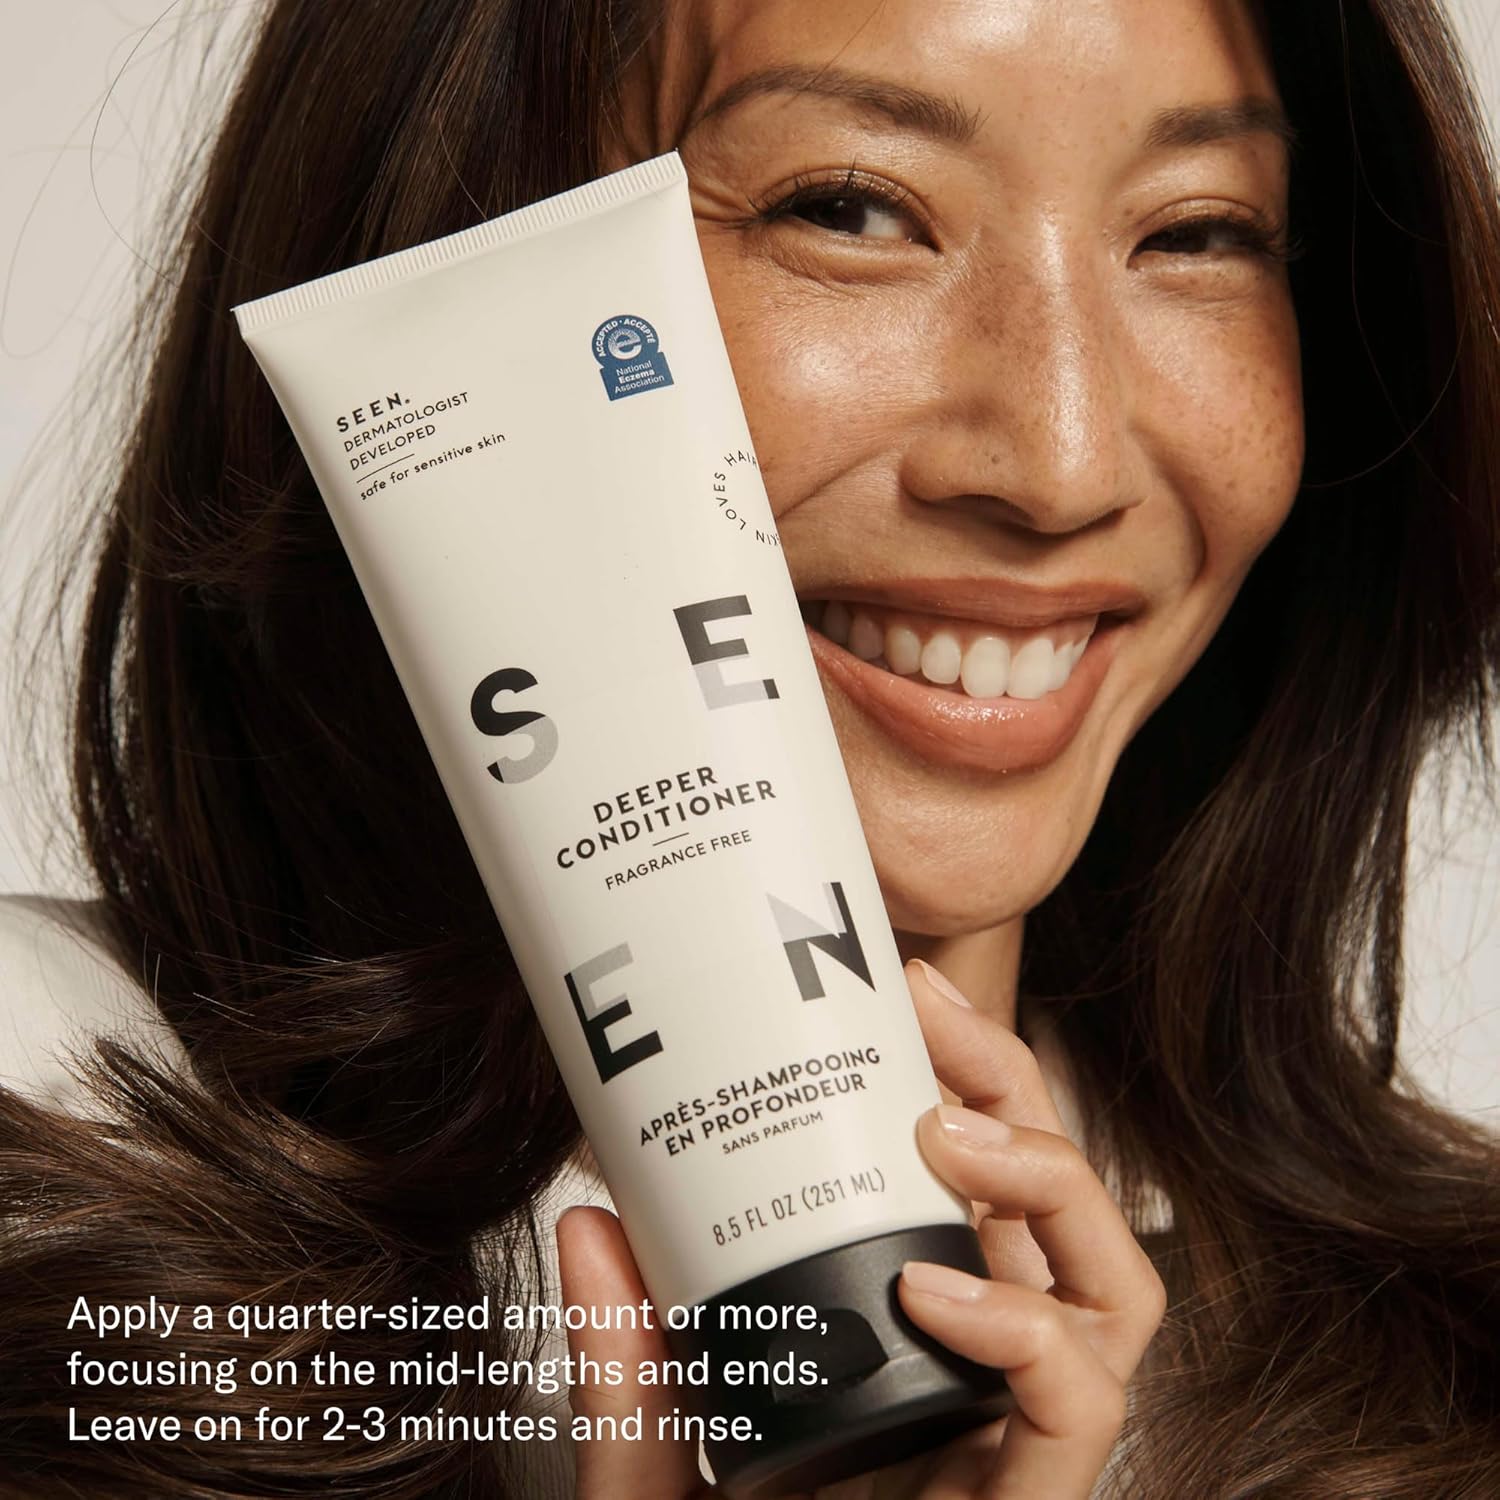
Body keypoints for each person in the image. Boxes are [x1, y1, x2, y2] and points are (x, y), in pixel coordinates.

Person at [1, 0, 1497, 1496]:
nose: (1061, 463)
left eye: (1198, 233)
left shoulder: (1452, 1372)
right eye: (848, 209)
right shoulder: (42, 1156)